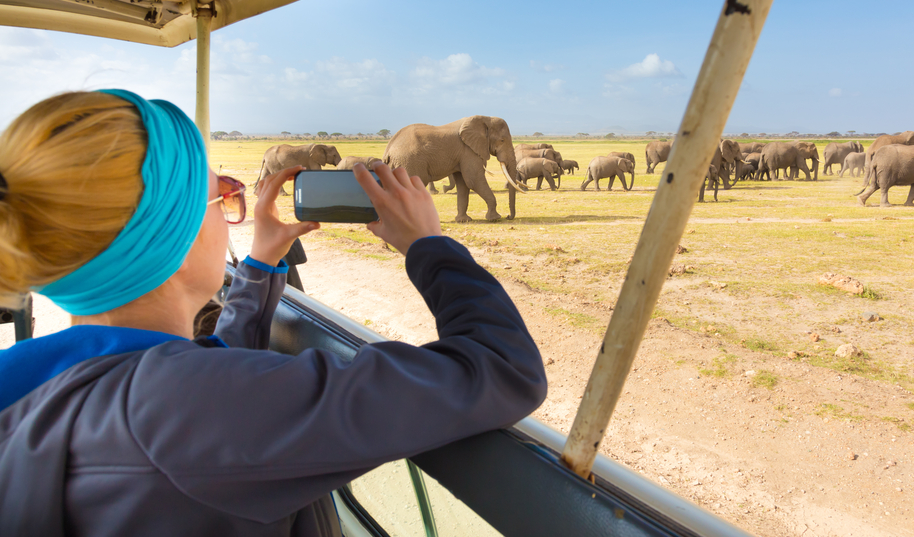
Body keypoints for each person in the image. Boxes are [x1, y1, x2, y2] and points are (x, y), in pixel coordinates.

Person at [0, 90, 546, 536]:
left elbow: (203, 378)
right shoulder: (205, 407)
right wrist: (430, 247)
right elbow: (505, 368)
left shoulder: (26, 381)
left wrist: (260, 263)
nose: (232, 211)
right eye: (221, 197)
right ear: (176, 236)